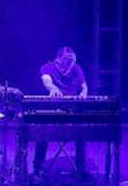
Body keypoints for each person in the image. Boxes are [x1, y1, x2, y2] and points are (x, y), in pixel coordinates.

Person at [33, 46, 89, 176]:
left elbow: (84, 87)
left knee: (83, 129)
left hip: (72, 111)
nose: (69, 68)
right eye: (66, 65)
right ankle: (38, 167)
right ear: (58, 61)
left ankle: (81, 169)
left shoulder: (76, 68)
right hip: (53, 110)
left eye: (71, 64)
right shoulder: (48, 67)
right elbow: (46, 81)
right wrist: (53, 88)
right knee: (42, 128)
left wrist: (83, 94)